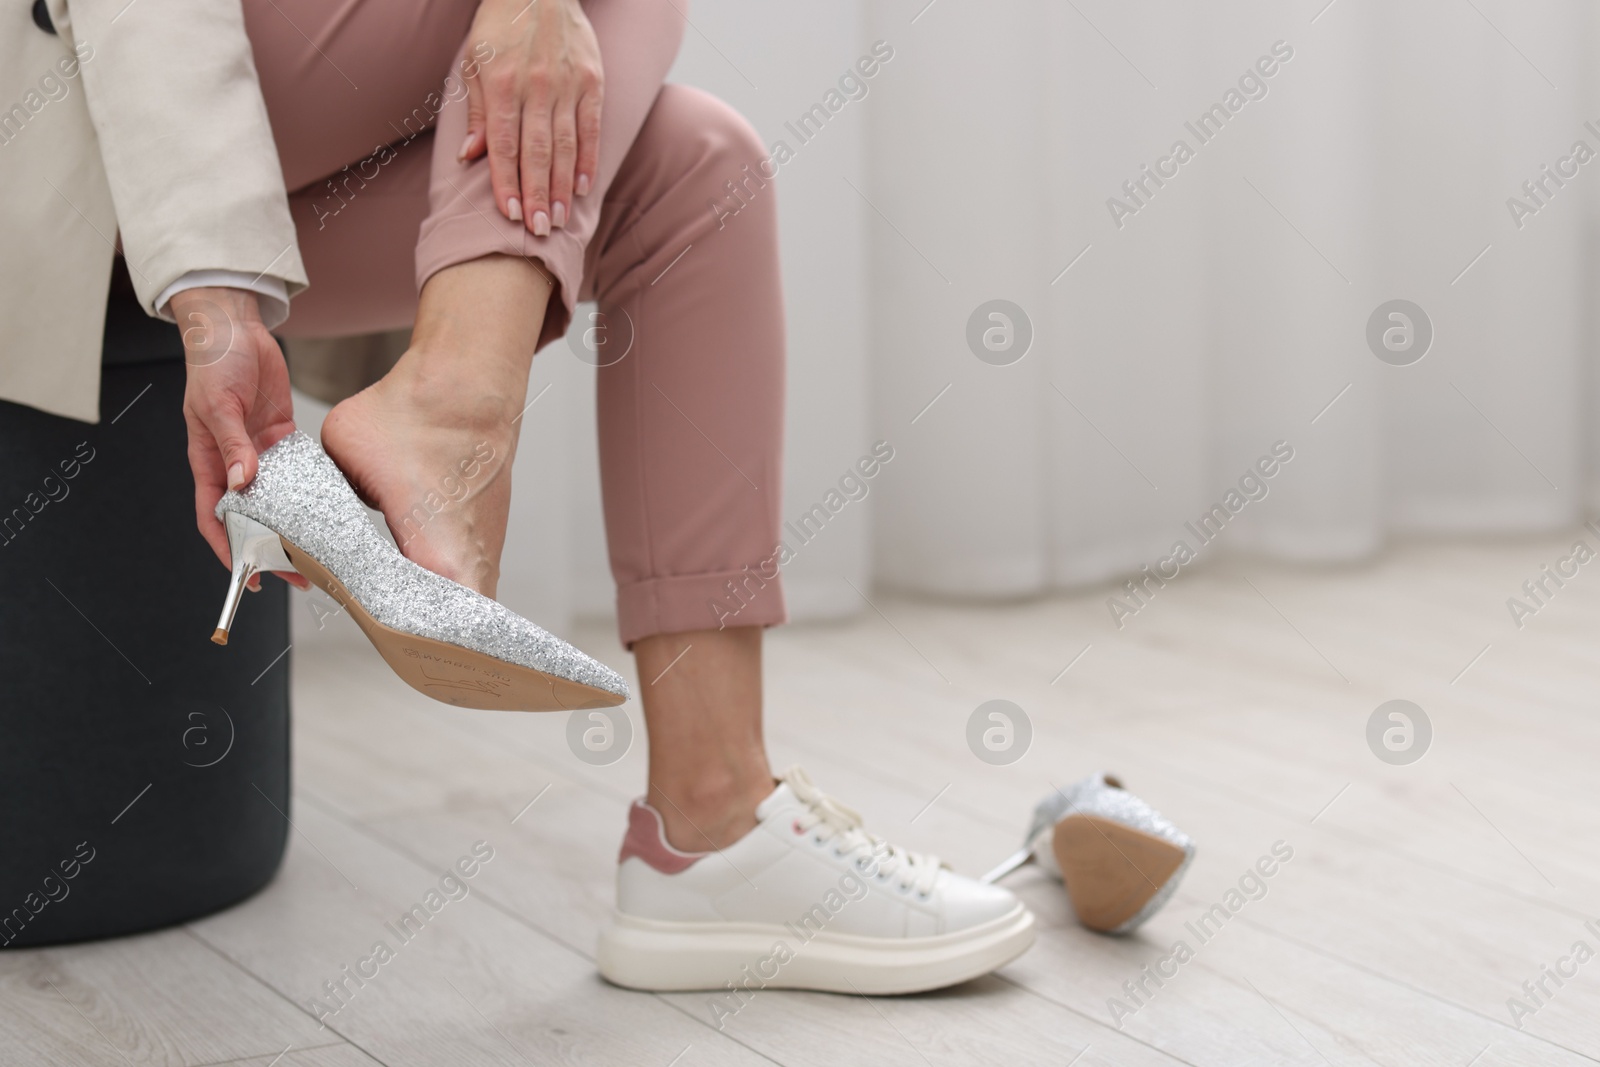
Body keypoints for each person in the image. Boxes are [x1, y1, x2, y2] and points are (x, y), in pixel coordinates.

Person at [3, 0, 1034, 989]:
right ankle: (455, 404)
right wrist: (217, 301)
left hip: (216, 146)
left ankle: (710, 819)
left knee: (692, 167)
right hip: (80, 116)